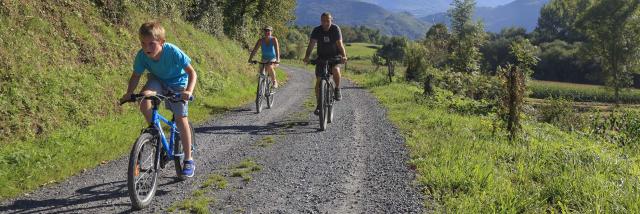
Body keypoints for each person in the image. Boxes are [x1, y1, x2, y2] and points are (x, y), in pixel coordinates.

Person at [120, 21, 198, 178]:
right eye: (143, 43)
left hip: (177, 84)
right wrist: (129, 92)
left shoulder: (172, 51)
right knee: (144, 98)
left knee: (181, 119)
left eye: (151, 44)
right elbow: (136, 75)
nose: (146, 47)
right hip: (158, 80)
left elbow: (192, 73)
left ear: (162, 42)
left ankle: (188, 159)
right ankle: (155, 130)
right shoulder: (141, 56)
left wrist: (188, 91)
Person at [303, 12, 348, 115]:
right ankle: (319, 104)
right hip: (321, 58)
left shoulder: (335, 29)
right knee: (318, 82)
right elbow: (311, 44)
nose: (325, 23)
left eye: (328, 21)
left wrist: (344, 56)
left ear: (331, 20)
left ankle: (337, 89)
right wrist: (306, 57)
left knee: (336, 70)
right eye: (323, 21)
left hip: (334, 57)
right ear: (321, 21)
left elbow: (340, 44)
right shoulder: (316, 30)